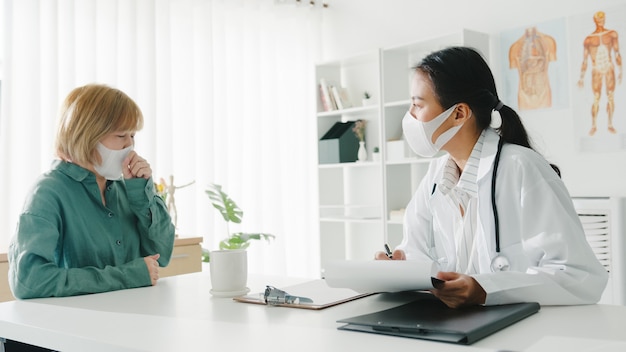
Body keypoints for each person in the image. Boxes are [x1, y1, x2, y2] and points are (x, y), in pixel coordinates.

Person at [375, 46, 608, 308]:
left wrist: (487, 289)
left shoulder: (522, 167)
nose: (411, 116)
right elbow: (417, 252)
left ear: (459, 114)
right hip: (454, 326)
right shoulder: (435, 176)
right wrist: (397, 270)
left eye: (417, 104)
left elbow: (581, 278)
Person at [8, 83, 176, 300]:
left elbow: (162, 255)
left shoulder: (126, 188)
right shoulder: (48, 192)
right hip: (75, 327)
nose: (130, 146)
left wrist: (143, 193)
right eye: (121, 135)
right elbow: (29, 281)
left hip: (132, 321)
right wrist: (127, 276)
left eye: (133, 136)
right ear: (88, 135)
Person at [578, 11, 622, 136]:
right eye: (598, 19)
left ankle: (610, 124)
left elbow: (617, 53)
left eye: (602, 19)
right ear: (595, 20)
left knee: (610, 96)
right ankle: (593, 125)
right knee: (596, 98)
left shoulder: (612, 34)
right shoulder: (589, 39)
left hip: (608, 67)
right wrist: (581, 77)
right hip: (596, 68)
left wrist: (620, 71)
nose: (601, 21)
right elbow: (585, 60)